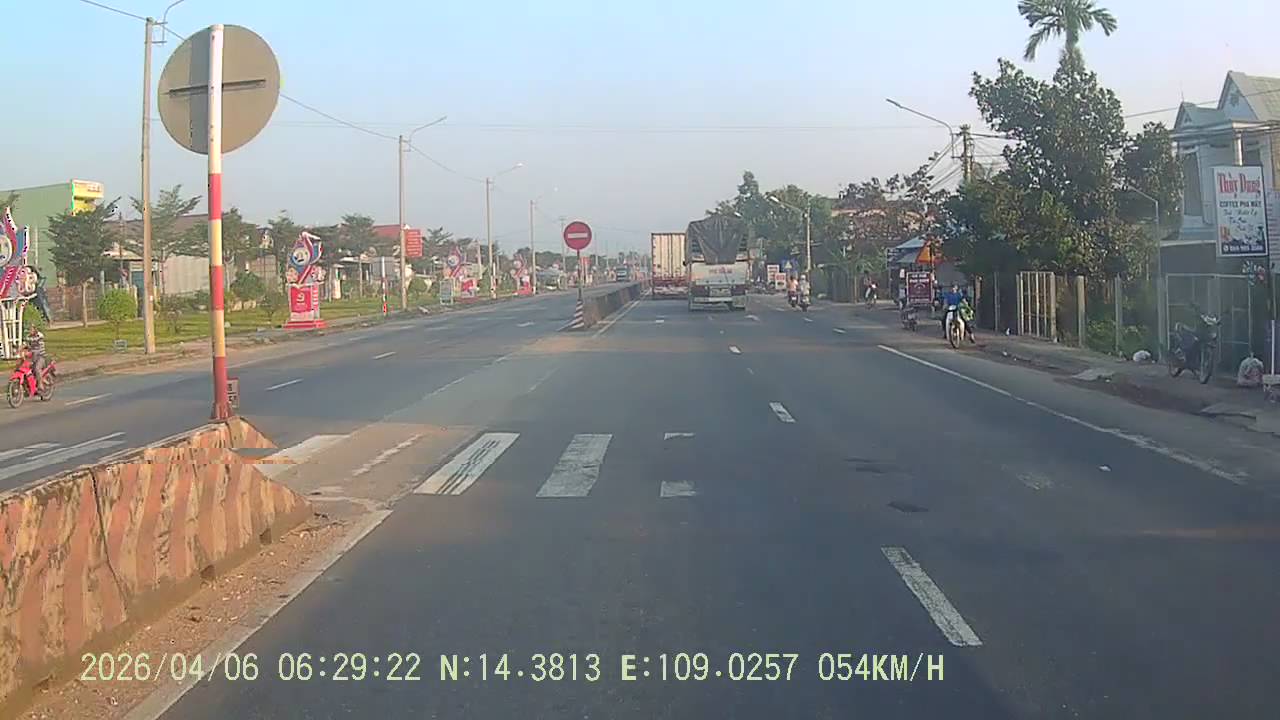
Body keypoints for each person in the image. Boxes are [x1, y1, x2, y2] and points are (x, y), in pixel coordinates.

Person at [27, 326, 48, 390]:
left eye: (31, 330)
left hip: (41, 356)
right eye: (29, 330)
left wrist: (30, 349)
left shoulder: (39, 335)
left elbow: (37, 341)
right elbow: (26, 344)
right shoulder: (29, 336)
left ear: (35, 330)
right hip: (33, 356)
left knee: (37, 368)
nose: (30, 331)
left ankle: (40, 384)